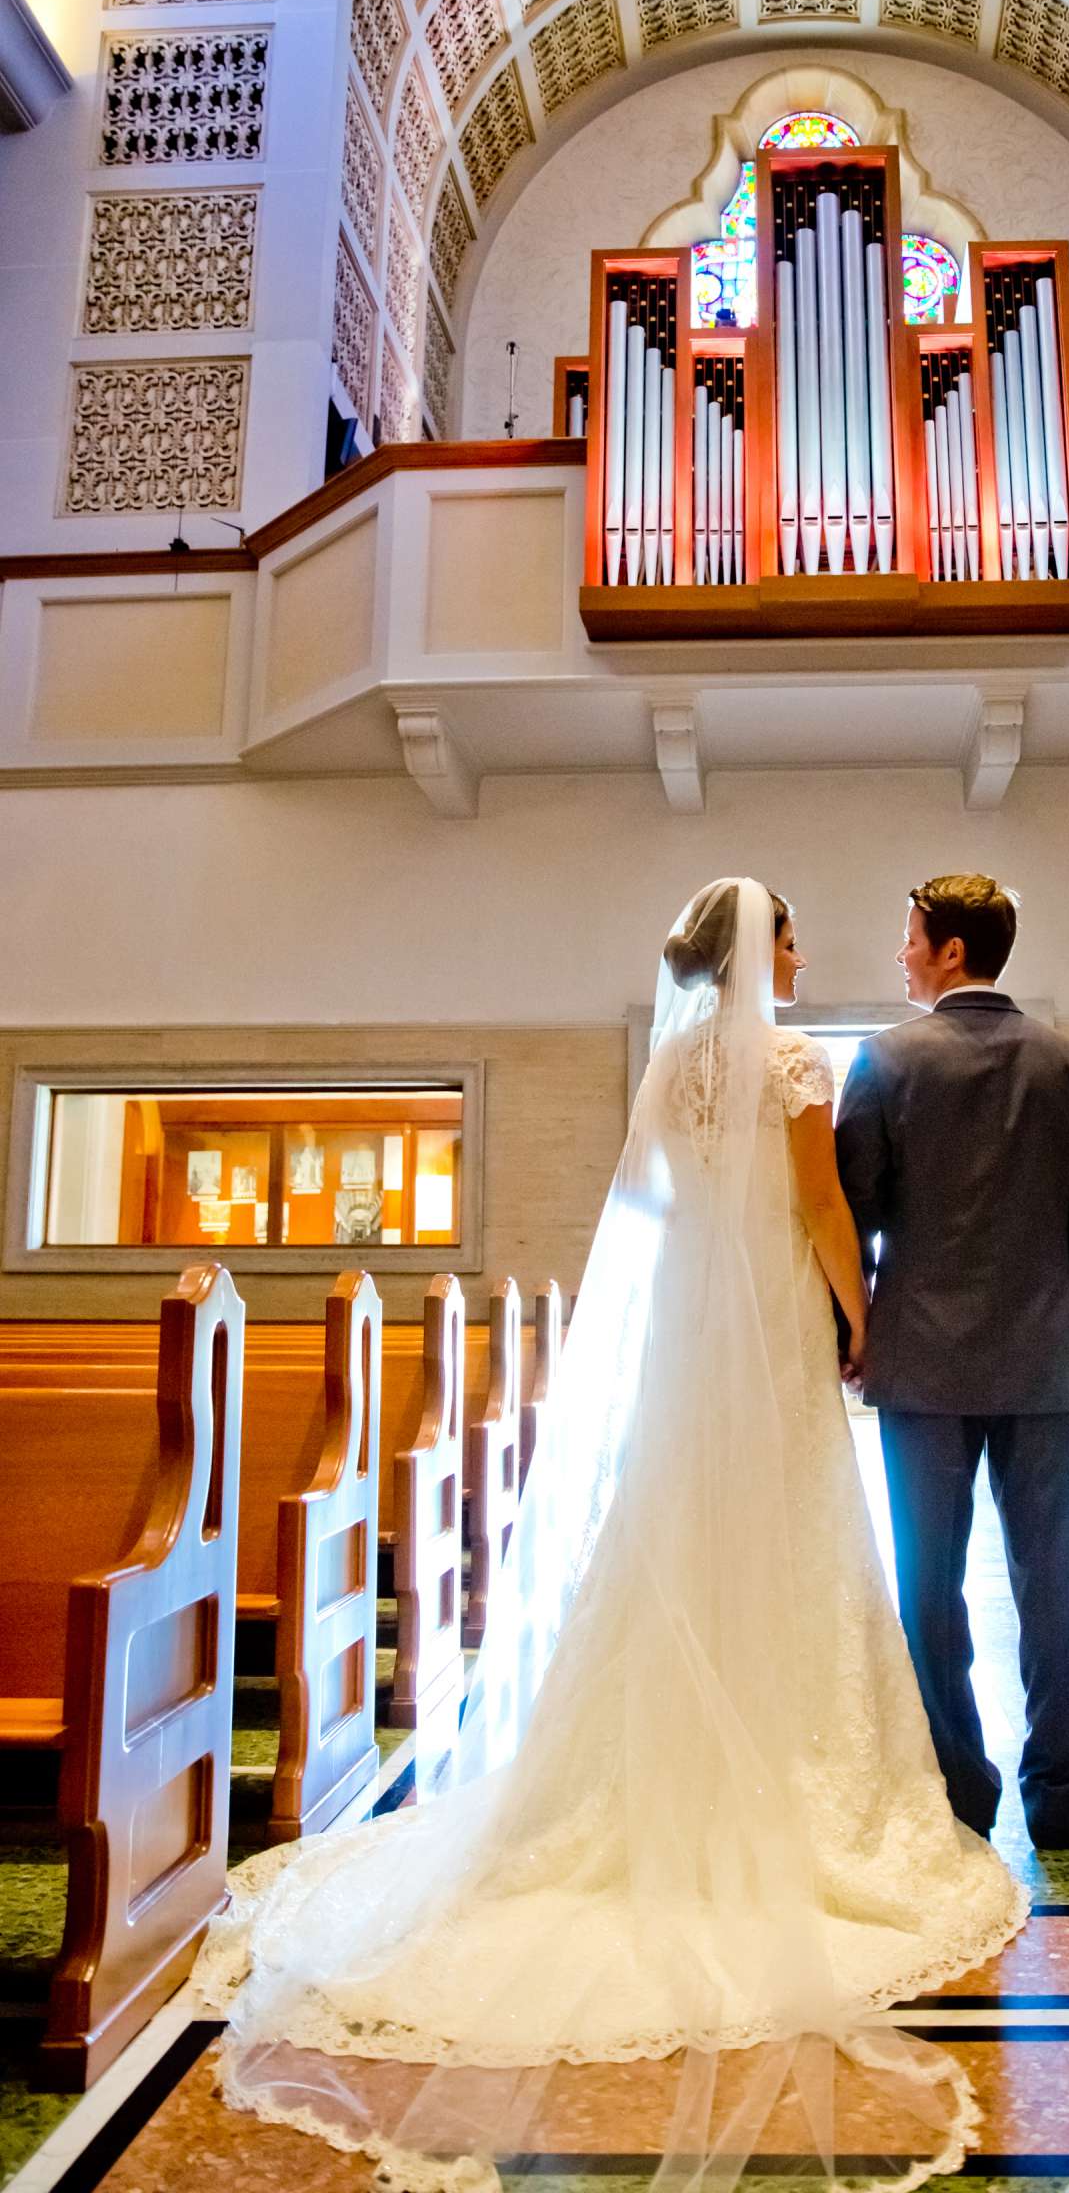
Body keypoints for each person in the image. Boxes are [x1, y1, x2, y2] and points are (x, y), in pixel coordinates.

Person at [194, 878, 1025, 2193]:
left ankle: (633, 1785)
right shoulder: (795, 1061)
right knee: (789, 1548)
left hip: (685, 1356)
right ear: (761, 951)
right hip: (770, 1356)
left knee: (668, 1556)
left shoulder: (673, 1065)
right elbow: (818, 1206)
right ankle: (783, 1783)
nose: (804, 957)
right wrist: (859, 1318)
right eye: (795, 938)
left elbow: (642, 1219)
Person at [835, 874, 1069, 1853]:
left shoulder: (883, 1063)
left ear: (951, 951)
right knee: (1052, 1577)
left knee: (929, 1579)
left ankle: (962, 1782)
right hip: (1046, 1362)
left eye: (910, 937)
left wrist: (848, 1338)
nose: (901, 954)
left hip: (922, 1368)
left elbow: (854, 1218)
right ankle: (1056, 1785)